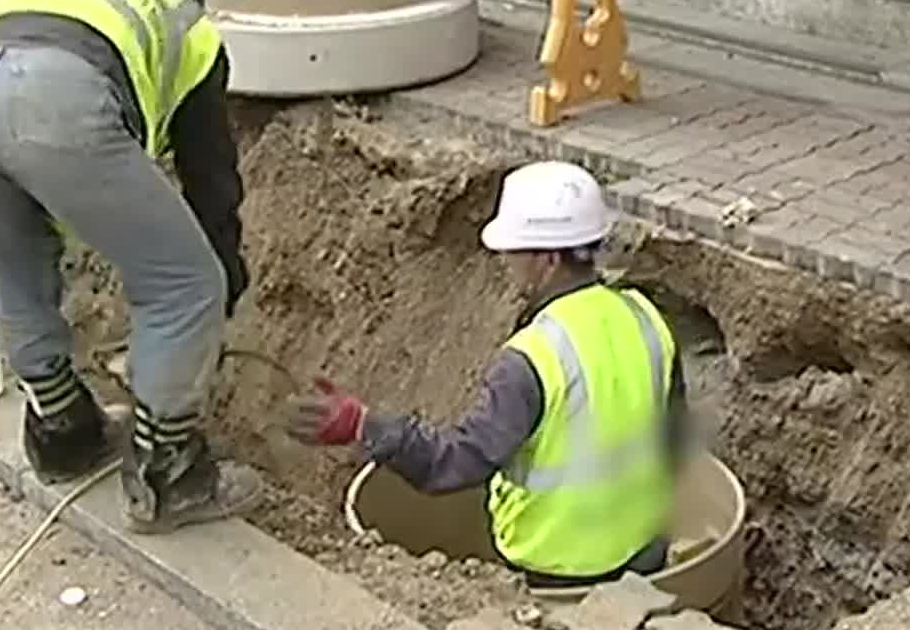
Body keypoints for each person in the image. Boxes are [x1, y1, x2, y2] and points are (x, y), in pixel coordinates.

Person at [0, 0, 258, 533]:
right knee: (185, 284)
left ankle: (63, 432)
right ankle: (170, 473)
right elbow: (210, 186)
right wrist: (221, 281)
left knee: (15, 269)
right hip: (56, 103)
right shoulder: (188, 26)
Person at [283, 161, 688, 587]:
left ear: (547, 259)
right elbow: (674, 435)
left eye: (512, 250)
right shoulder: (646, 318)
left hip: (561, 562)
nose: (502, 262)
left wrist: (364, 425)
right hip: (644, 549)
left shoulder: (535, 357)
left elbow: (457, 463)